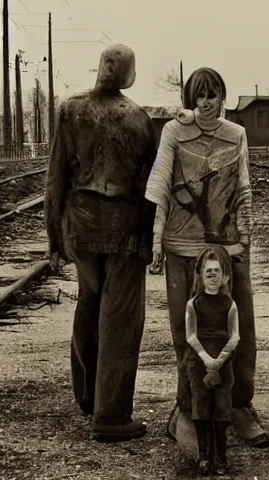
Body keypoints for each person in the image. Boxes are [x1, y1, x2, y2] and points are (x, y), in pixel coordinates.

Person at [144, 67, 269, 449]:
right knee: (186, 331)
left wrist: (245, 241)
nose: (206, 103)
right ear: (190, 98)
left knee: (238, 327)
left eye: (212, 95)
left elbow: (245, 189)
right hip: (181, 248)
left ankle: (238, 405)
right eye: (199, 96)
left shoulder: (237, 135)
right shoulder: (173, 132)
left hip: (226, 249)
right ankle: (187, 407)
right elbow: (161, 187)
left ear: (222, 97)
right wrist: (156, 242)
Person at [44, 44, 157, 442]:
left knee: (89, 303)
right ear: (127, 72)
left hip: (81, 221)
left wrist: (54, 235)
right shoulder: (138, 118)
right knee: (120, 319)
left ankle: (88, 396)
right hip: (123, 222)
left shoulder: (71, 109)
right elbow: (147, 187)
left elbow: (55, 176)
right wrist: (148, 237)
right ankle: (110, 416)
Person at [185, 245, 239, 476]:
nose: (213, 276)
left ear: (225, 276)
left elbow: (235, 335)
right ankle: (204, 456)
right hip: (199, 360)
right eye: (208, 271)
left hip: (222, 360)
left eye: (217, 271)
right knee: (201, 406)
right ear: (201, 275)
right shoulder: (193, 304)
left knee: (222, 407)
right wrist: (206, 358)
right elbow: (190, 334)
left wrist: (220, 360)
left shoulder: (230, 305)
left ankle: (221, 456)